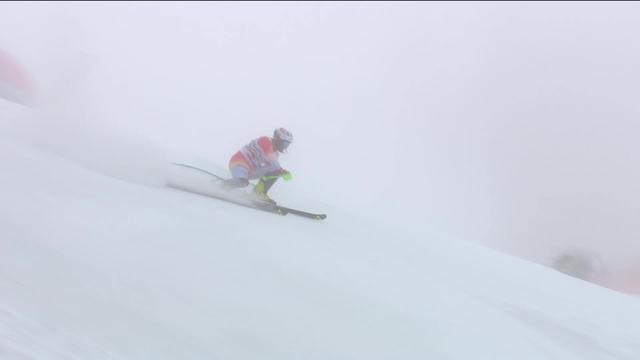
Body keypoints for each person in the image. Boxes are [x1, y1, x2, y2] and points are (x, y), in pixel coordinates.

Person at [223, 128, 293, 203]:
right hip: (238, 164)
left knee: (275, 171)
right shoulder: (265, 140)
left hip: (250, 169)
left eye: (287, 144)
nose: (285, 147)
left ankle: (258, 193)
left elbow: (273, 165)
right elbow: (271, 160)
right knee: (242, 182)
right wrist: (282, 171)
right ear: (277, 139)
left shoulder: (275, 153)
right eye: (284, 143)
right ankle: (222, 186)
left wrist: (280, 172)